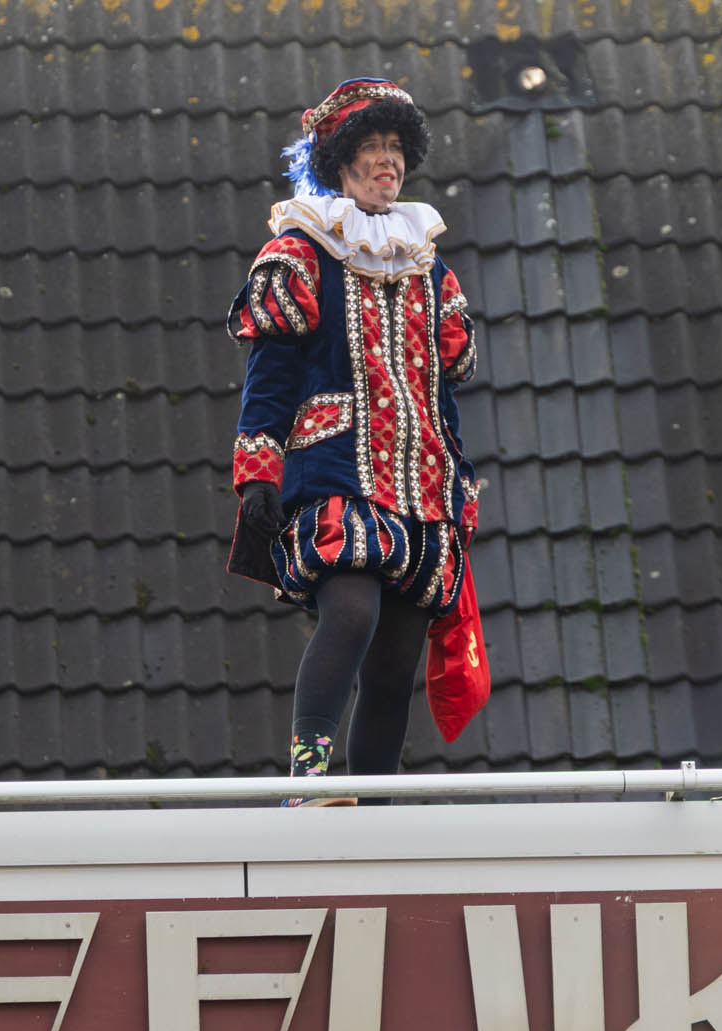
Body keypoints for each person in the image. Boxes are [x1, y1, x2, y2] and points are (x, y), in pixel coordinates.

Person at [225, 77, 481, 801]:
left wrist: (458, 485)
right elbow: (271, 373)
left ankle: (373, 807)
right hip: (335, 467)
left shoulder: (430, 265)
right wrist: (258, 470)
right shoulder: (303, 251)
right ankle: (307, 781)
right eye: (371, 147)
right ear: (339, 162)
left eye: (395, 147)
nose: (386, 160)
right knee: (350, 612)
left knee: (396, 659)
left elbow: (442, 394)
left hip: (420, 484)